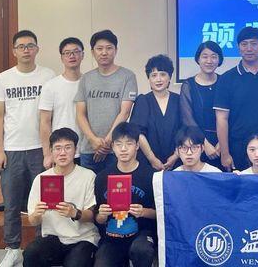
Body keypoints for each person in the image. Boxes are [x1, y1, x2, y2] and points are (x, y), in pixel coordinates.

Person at [0, 30, 56, 267]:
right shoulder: (3, 78)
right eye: (21, 46)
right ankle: (12, 248)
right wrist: (0, 150)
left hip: (40, 150)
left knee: (43, 202)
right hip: (12, 150)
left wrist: (49, 151)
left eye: (30, 46)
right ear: (14, 51)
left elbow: (51, 114)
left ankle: (42, 246)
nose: (26, 50)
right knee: (12, 203)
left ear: (37, 49)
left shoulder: (48, 75)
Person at [24, 128, 99, 267]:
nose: (62, 153)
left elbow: (92, 215)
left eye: (68, 147)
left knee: (76, 264)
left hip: (82, 238)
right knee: (31, 253)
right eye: (57, 148)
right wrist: (37, 214)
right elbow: (32, 221)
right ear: (51, 151)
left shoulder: (88, 176)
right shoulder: (41, 179)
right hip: (53, 238)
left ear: (75, 149)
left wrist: (75, 213)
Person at [214, 26, 258, 171]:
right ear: (238, 47)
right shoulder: (227, 78)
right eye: (244, 44)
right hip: (239, 147)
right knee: (241, 185)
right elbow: (222, 119)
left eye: (254, 43)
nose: (249, 48)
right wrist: (225, 153)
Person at [93, 122, 157, 267]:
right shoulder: (102, 177)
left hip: (142, 234)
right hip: (112, 237)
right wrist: (102, 215)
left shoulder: (151, 176)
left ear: (137, 146)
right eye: (118, 144)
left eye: (129, 143)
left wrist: (144, 212)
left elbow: (161, 214)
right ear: (113, 147)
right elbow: (97, 219)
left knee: (141, 250)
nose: (123, 149)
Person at [75, 30, 137, 173]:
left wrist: (108, 142)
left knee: (116, 187)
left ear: (116, 50)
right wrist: (93, 140)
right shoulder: (86, 78)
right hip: (89, 149)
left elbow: (125, 112)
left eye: (109, 48)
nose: (104, 52)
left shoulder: (127, 76)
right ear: (92, 52)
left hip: (117, 150)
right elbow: (80, 114)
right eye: (99, 48)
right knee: (89, 187)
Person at [40, 37, 86, 169]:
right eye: (67, 53)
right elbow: (45, 121)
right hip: (61, 151)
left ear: (83, 55)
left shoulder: (90, 82)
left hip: (87, 150)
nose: (72, 56)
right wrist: (48, 154)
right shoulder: (51, 86)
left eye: (76, 52)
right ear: (61, 57)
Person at [130, 54, 182, 171]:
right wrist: (152, 159)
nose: (158, 79)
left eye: (163, 74)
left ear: (170, 77)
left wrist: (175, 156)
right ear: (149, 79)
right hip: (148, 163)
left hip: (177, 162)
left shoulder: (179, 100)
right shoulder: (143, 100)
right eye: (154, 75)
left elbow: (185, 130)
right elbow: (138, 132)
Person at [180, 41, 223, 169]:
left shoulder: (225, 82)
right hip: (197, 144)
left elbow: (232, 116)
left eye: (214, 56)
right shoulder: (188, 85)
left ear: (219, 59)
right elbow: (188, 120)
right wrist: (205, 144)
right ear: (198, 59)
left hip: (224, 145)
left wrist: (222, 144)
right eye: (205, 56)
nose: (209, 61)